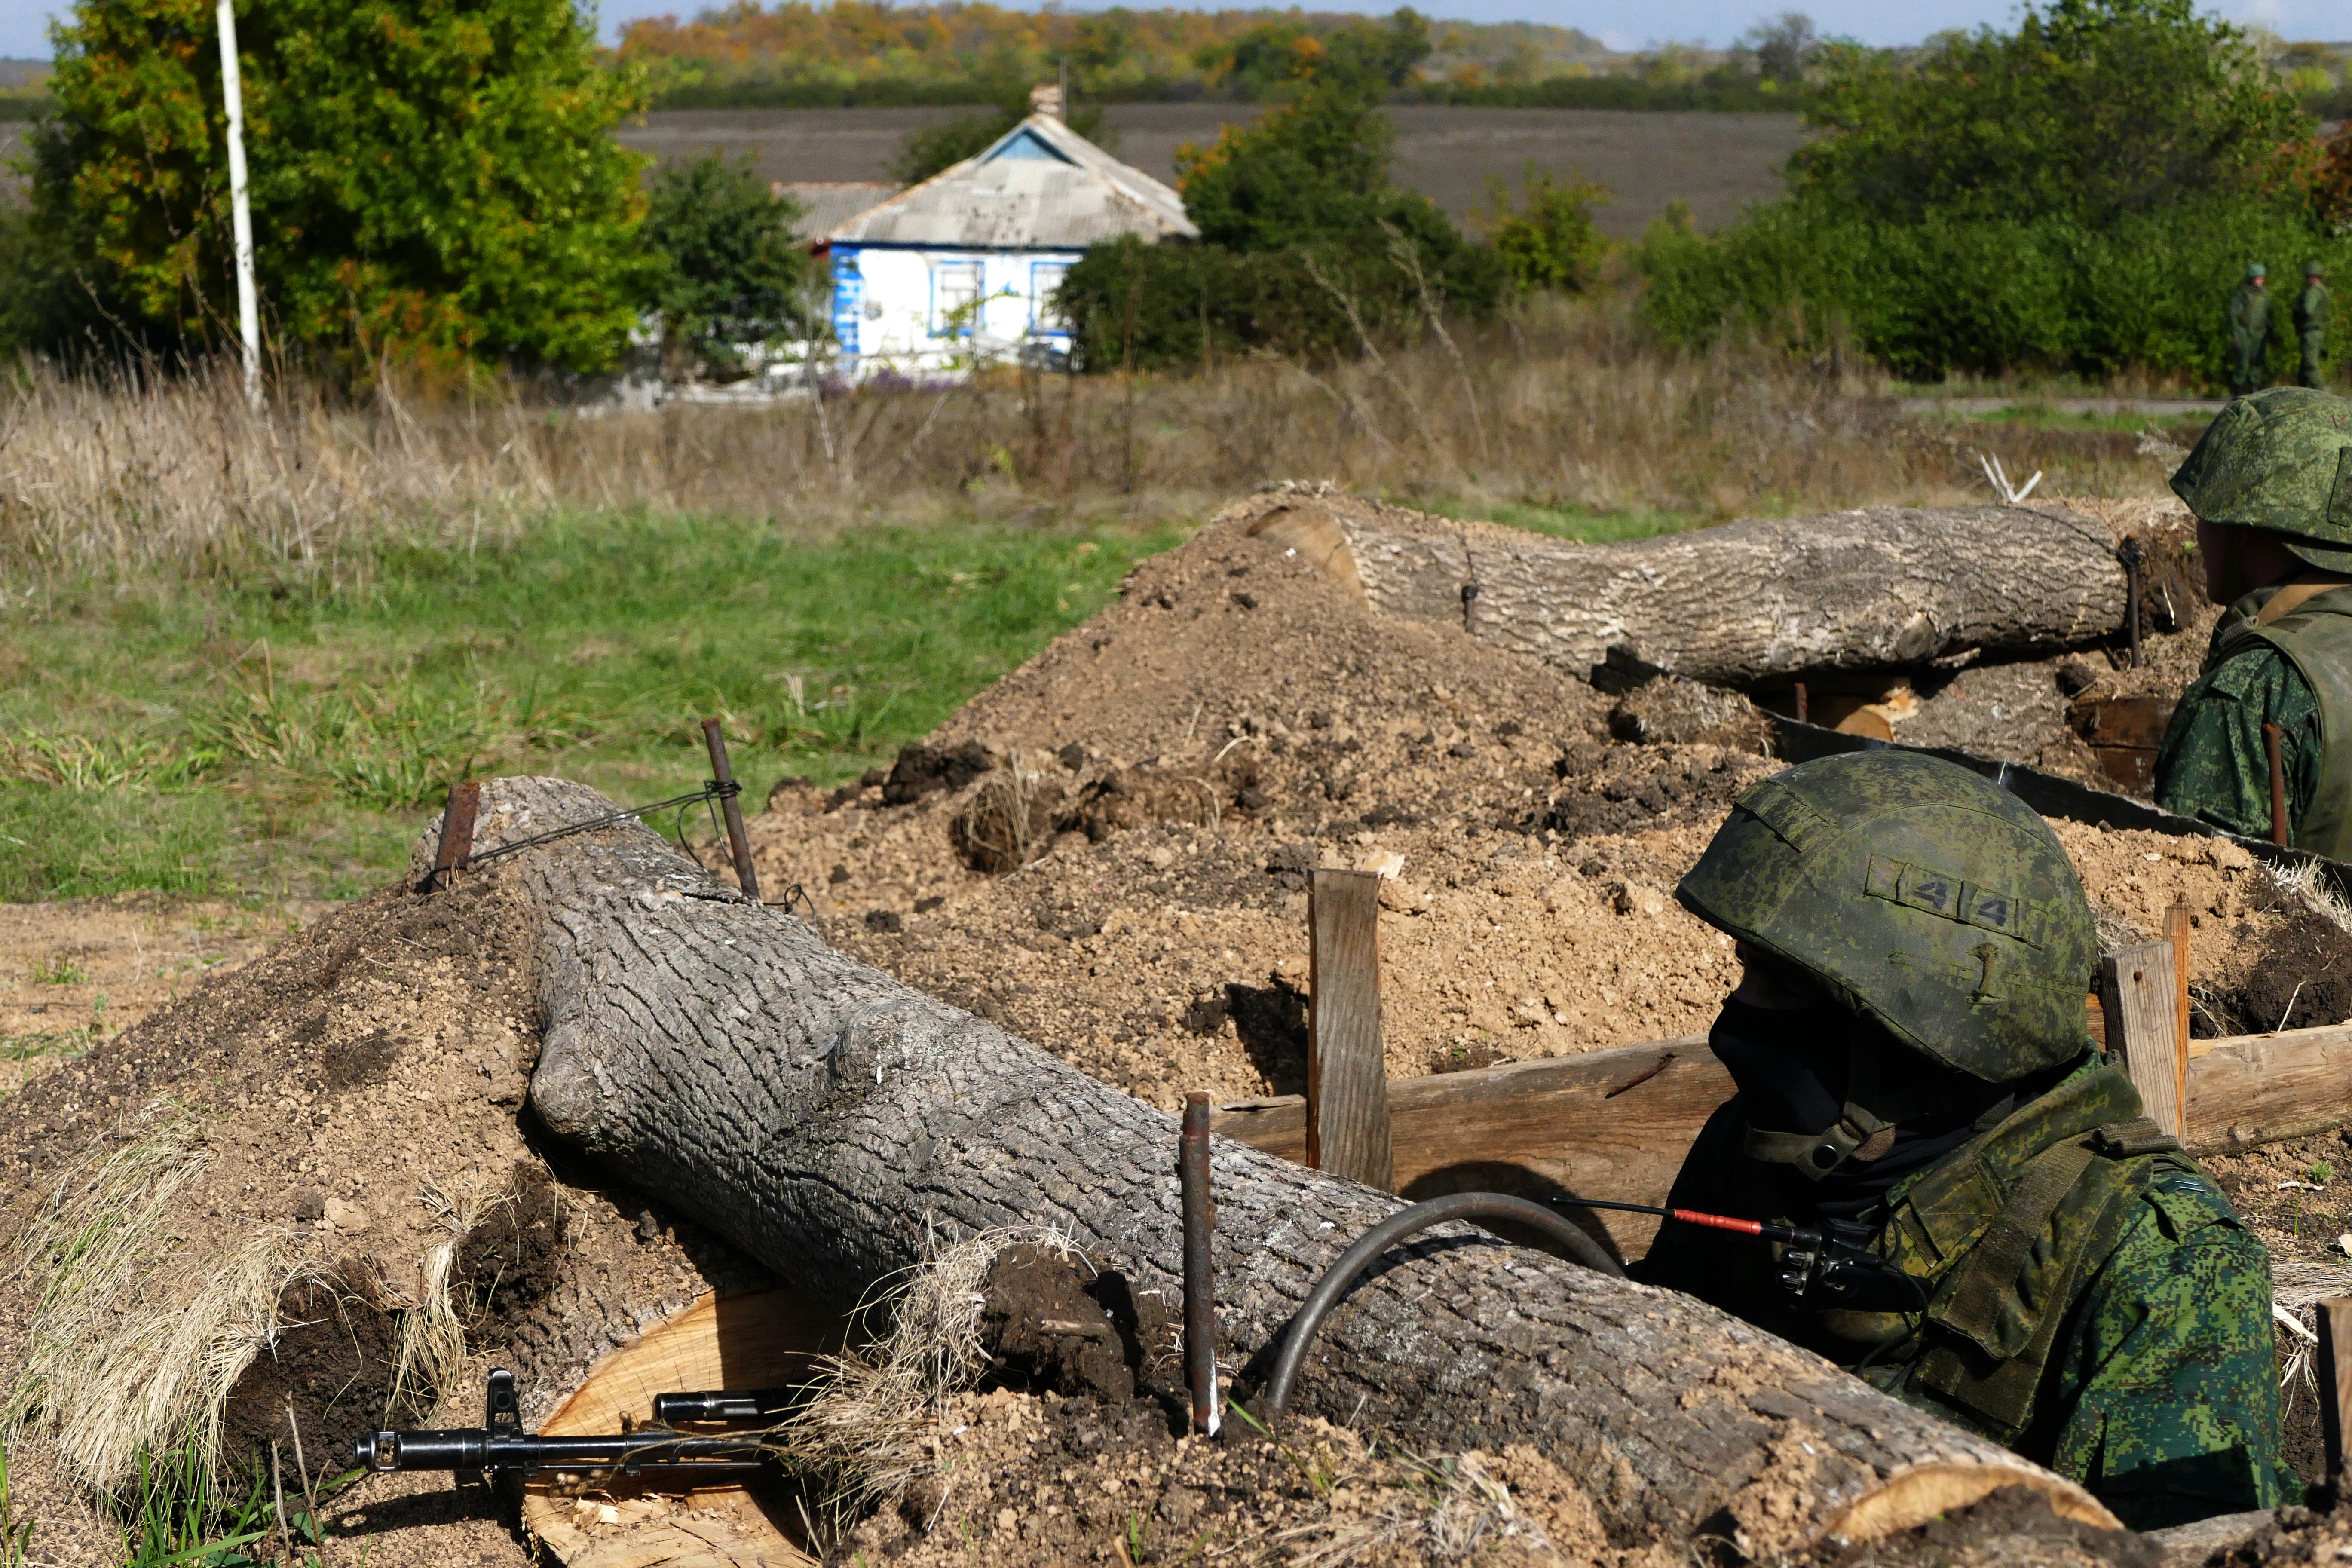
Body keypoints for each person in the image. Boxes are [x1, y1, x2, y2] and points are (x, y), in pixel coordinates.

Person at [1635, 750, 2291, 1531]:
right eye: (1746, 973)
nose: (1734, 1023)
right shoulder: (1758, 1149)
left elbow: (2188, 1549)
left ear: (1925, 1036)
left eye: (1783, 988)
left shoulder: (2161, 1266)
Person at [2153, 388, 2352, 856]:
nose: (2198, 533)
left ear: (2246, 529)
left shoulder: (2252, 695)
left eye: (2208, 514)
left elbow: (2188, 909)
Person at [2229, 262, 2272, 398]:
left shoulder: (2265, 296)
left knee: (2258, 364)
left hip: (2260, 334)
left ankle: (2255, 389)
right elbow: (2234, 316)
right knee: (2242, 363)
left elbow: (2269, 317)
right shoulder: (2242, 295)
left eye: (2260, 278)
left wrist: (2272, 333)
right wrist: (2236, 335)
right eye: (2256, 278)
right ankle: (2238, 391)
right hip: (2244, 333)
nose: (2258, 281)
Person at [2297, 261, 2331, 392]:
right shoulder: (2323, 290)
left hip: (2310, 333)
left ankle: (2324, 393)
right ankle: (2302, 392)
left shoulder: (2313, 291)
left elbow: (2308, 309)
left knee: (2311, 365)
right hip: (2318, 332)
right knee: (2304, 367)